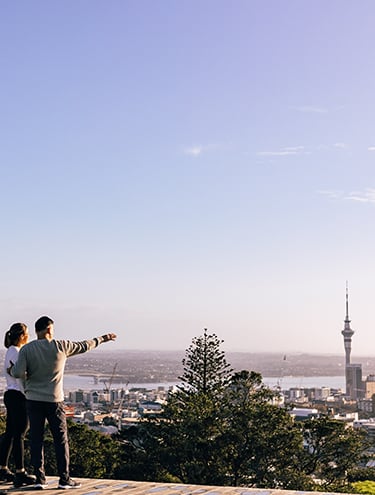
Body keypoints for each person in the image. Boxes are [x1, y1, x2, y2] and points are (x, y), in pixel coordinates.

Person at [9, 316, 116, 490]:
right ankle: (64, 479)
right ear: (49, 329)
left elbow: (19, 372)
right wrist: (103, 338)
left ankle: (39, 479)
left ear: (37, 331)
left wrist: (12, 370)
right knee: (60, 440)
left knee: (36, 439)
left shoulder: (27, 349)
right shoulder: (61, 346)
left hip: (33, 400)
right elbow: (84, 345)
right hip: (54, 400)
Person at [0, 323, 35, 488]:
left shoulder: (11, 351)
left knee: (10, 433)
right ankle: (20, 472)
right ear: (22, 336)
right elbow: (20, 377)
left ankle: (3, 468)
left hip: (11, 394)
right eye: (27, 333)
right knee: (20, 433)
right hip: (18, 396)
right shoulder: (17, 352)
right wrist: (28, 395)